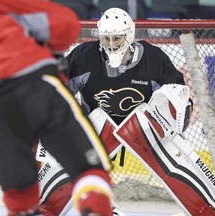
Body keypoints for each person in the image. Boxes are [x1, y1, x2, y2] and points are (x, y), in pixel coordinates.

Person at [38, 7, 193, 216]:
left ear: (129, 35)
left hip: (142, 129)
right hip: (97, 129)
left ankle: (199, 203)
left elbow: (180, 97)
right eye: (106, 39)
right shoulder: (84, 56)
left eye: (117, 38)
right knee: (64, 146)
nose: (111, 45)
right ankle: (73, 204)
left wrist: (174, 118)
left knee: (175, 155)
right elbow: (60, 94)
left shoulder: (153, 59)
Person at [0, 0, 113, 216]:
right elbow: (65, 24)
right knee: (90, 173)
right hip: (36, 85)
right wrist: (50, 50)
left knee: (21, 201)